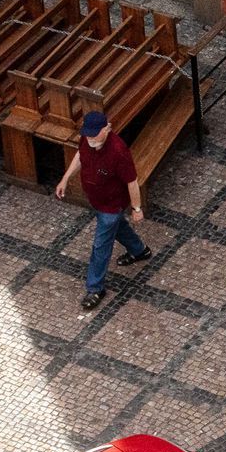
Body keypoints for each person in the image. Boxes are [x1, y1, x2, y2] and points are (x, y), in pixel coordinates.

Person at [54, 110, 151, 311]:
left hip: (112, 204)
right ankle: (139, 250)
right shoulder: (87, 139)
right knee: (118, 227)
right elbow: (80, 155)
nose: (89, 138)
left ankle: (95, 288)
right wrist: (66, 178)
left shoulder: (118, 151)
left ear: (106, 129)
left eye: (93, 134)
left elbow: (132, 182)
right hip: (96, 200)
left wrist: (137, 208)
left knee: (101, 245)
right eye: (87, 133)